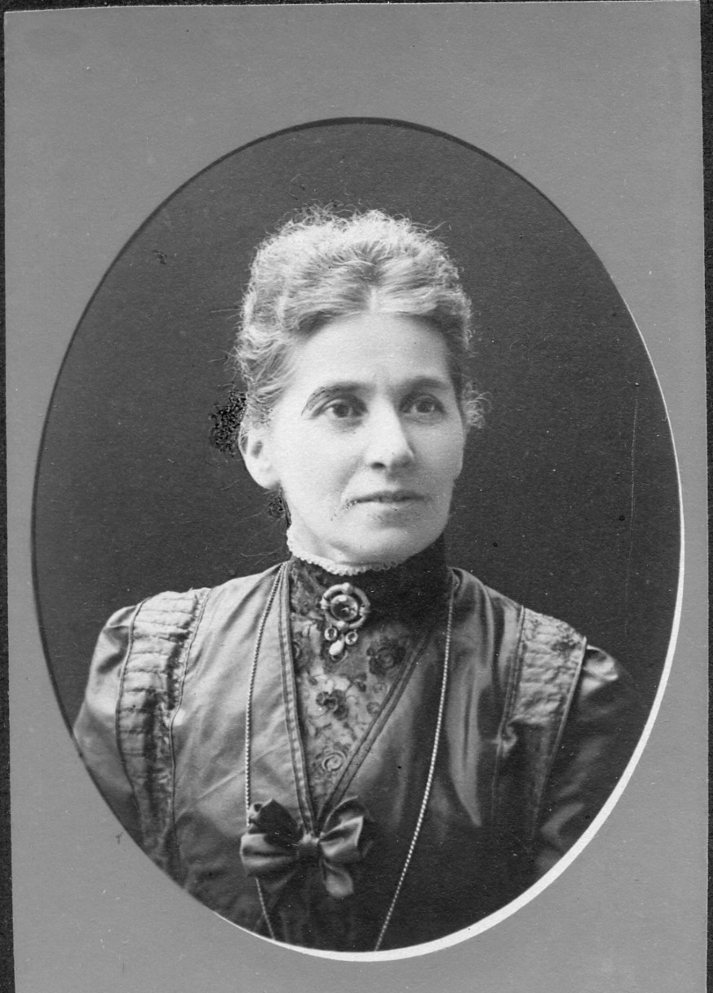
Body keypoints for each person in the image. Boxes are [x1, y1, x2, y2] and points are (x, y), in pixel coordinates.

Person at [74, 208, 640, 953]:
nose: (394, 448)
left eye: (423, 404)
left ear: (462, 432)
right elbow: (97, 944)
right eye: (342, 408)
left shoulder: (559, 692)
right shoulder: (148, 668)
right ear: (259, 447)